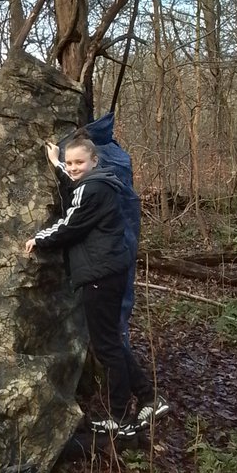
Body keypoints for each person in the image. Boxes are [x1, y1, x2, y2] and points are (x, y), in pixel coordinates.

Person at [25, 133, 168, 437]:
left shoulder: (93, 188)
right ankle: (147, 397)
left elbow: (71, 223)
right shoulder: (98, 183)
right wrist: (57, 164)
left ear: (94, 161)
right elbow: (76, 190)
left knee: (106, 348)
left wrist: (39, 239)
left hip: (100, 275)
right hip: (109, 271)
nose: (73, 167)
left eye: (79, 162)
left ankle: (120, 417)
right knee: (111, 341)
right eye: (70, 162)